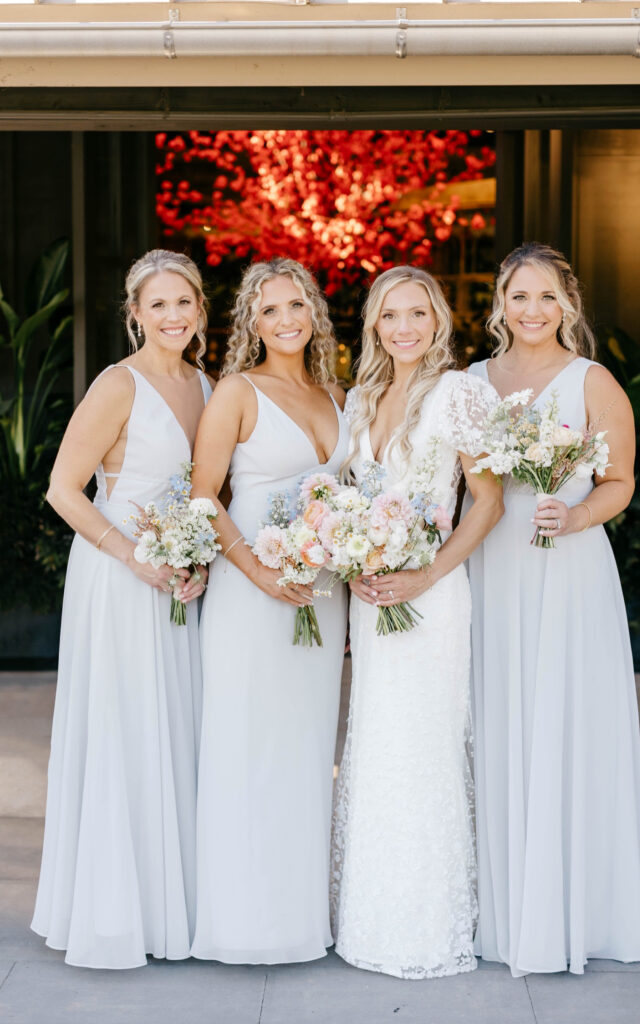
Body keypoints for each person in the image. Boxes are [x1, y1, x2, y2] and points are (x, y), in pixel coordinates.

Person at [467, 242, 640, 976]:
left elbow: (618, 480)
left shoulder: (593, 381)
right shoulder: (469, 381)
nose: (531, 310)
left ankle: (580, 903)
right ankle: (502, 904)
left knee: (567, 718)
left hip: (566, 566)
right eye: (519, 296)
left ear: (567, 305)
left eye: (546, 296)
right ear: (499, 302)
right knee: (495, 716)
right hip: (491, 565)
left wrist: (575, 516)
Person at [31, 250, 214, 968]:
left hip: (181, 578)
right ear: (135, 313)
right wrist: (136, 556)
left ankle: (176, 902)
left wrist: (196, 558)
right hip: (119, 575)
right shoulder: (118, 384)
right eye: (158, 304)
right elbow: (63, 489)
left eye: (184, 302)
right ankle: (115, 909)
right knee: (125, 725)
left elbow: (209, 494)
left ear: (200, 308)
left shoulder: (207, 383)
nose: (173, 316)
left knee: (176, 725)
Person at [331, 266, 503, 979]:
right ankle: (371, 921)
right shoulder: (360, 395)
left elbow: (486, 503)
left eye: (418, 313)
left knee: (423, 750)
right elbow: (345, 497)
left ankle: (428, 928)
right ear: (373, 325)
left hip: (431, 594)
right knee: (376, 746)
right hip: (374, 599)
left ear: (437, 320)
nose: (405, 327)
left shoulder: (460, 392)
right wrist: (352, 562)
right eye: (390, 315)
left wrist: (424, 574)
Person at [190, 258, 348, 965]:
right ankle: (245, 923)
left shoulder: (335, 392)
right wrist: (256, 573)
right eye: (269, 310)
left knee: (310, 749)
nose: (286, 320)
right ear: (250, 323)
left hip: (322, 593)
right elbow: (203, 497)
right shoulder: (236, 391)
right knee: (250, 747)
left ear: (312, 312)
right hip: (252, 597)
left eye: (296, 306)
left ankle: (302, 916)